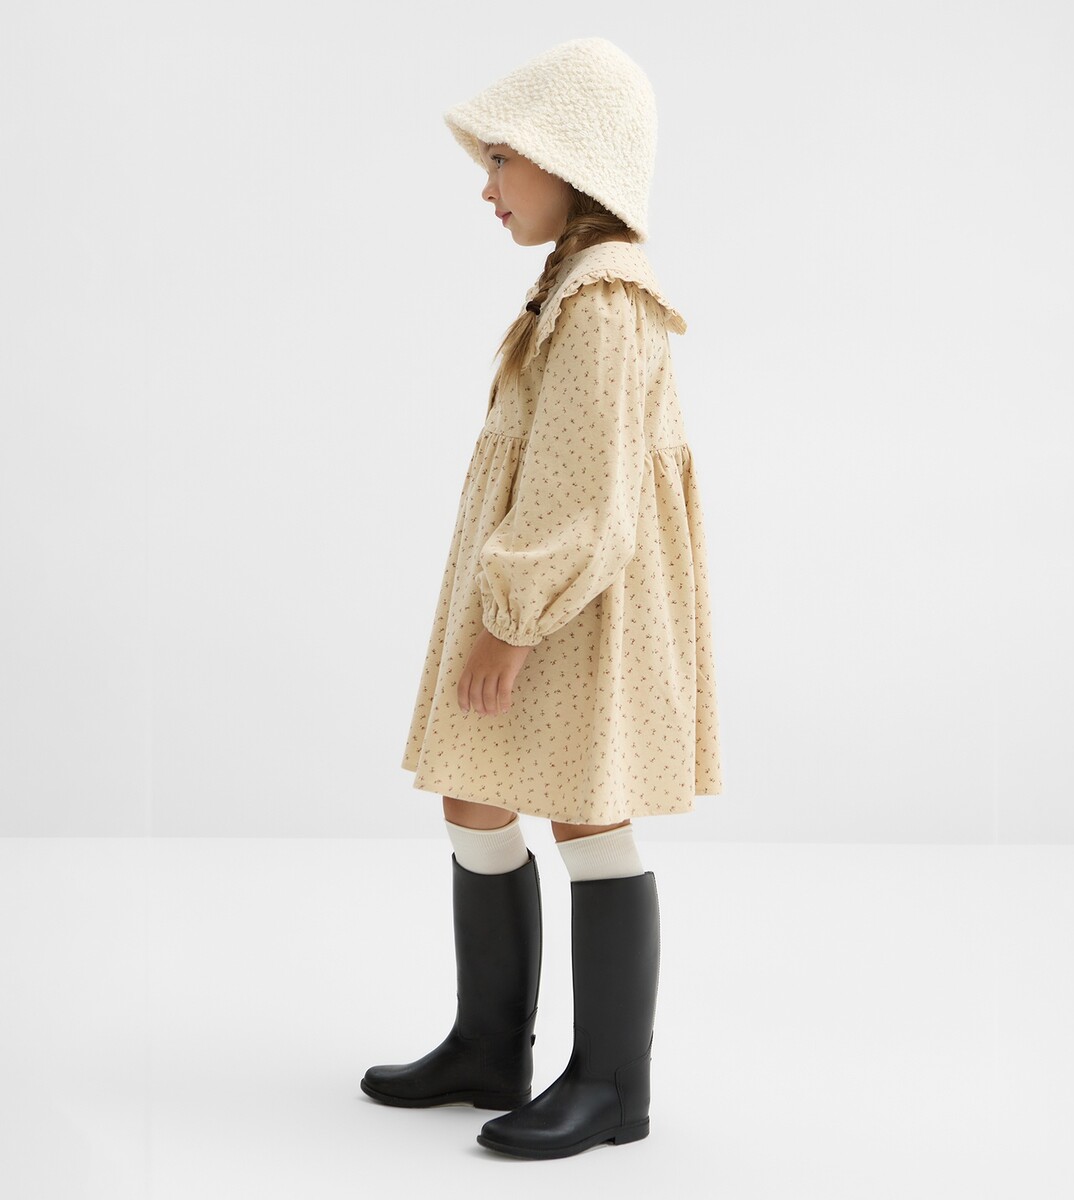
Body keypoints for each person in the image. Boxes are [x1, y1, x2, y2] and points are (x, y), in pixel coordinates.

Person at [360, 36, 724, 1159]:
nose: (488, 186)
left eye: (503, 160)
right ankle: (488, 1044)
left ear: (572, 158)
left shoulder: (606, 300)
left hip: (575, 604)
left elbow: (583, 494)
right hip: (541, 594)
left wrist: (512, 623)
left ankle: (613, 1084)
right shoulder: (570, 282)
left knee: (584, 807)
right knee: (473, 790)